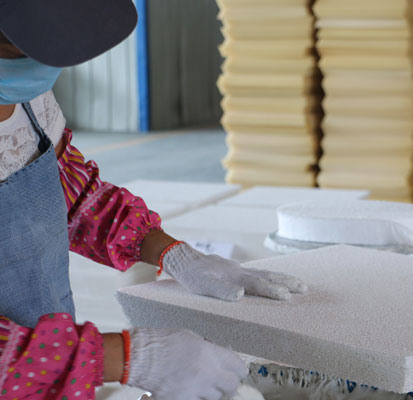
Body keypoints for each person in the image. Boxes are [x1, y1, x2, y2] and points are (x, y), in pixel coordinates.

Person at [0, 1, 307, 399]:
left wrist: (174, 255)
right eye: (19, 49)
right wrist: (125, 358)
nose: (37, 67)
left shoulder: (30, 100)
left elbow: (72, 197)